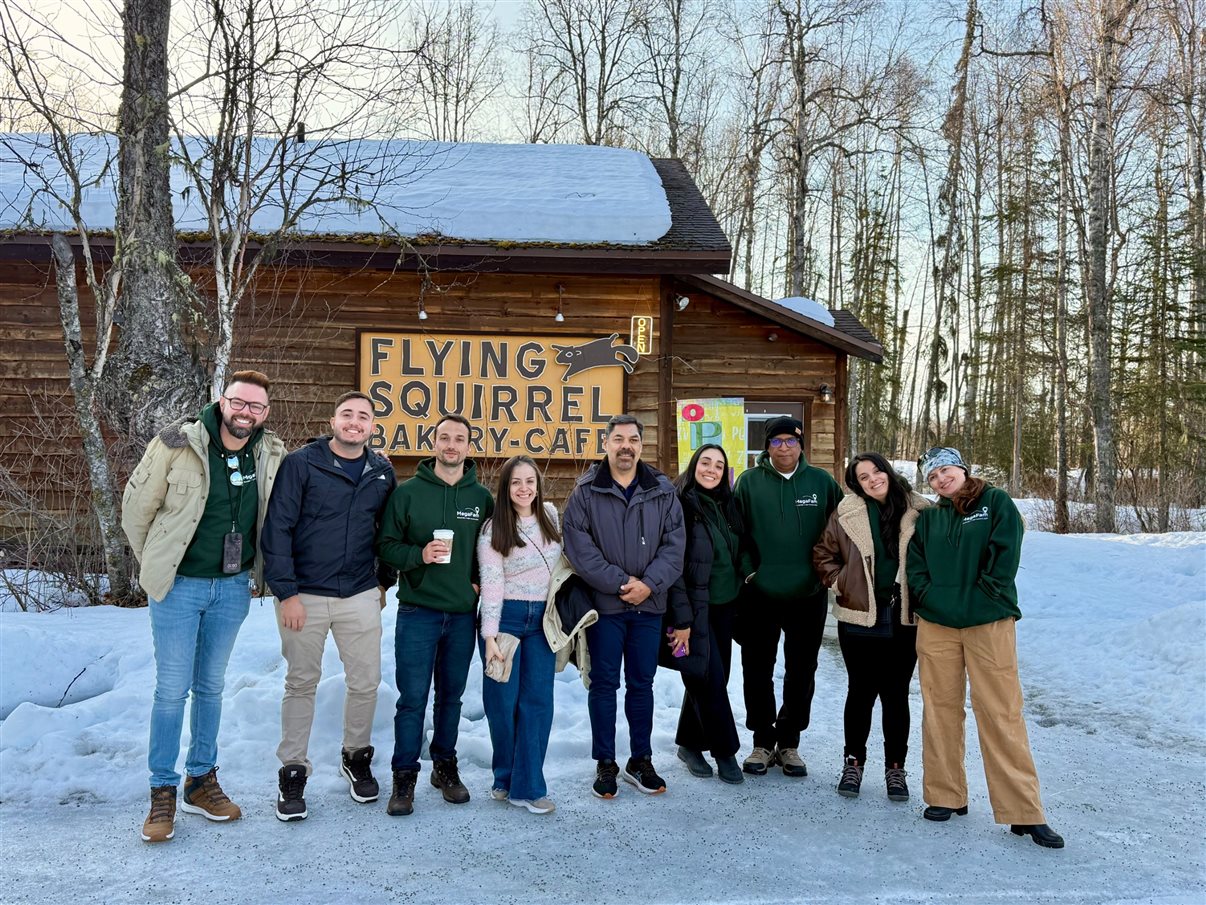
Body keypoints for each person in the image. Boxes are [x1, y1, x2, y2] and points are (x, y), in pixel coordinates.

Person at [121, 370, 287, 843]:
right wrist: (159, 563)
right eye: (239, 402)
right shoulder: (177, 443)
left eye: (256, 406)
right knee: (172, 690)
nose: (245, 413)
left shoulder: (271, 452)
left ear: (265, 413)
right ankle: (162, 790)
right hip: (179, 587)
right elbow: (136, 510)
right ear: (222, 400)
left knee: (211, 688)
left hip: (232, 588)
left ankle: (201, 780)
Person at [906, 447, 1065, 849]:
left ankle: (1023, 811)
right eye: (933, 476)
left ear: (962, 468)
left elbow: (1004, 558)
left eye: (946, 470)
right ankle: (946, 795)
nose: (941, 479)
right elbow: (916, 565)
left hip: (989, 622)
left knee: (1000, 711)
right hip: (938, 625)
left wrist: (982, 598)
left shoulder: (995, 503)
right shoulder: (930, 518)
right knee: (939, 709)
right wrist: (929, 598)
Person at [261, 391, 397, 821]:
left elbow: (387, 530)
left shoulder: (381, 471)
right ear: (333, 421)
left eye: (363, 417)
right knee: (302, 682)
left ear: (372, 426)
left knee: (366, 682)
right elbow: (277, 528)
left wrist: (383, 581)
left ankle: (356, 756)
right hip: (305, 595)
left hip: (359, 592)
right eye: (347, 414)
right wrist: (286, 592)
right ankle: (293, 770)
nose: (355, 422)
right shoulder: (302, 464)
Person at [562, 414, 685, 798]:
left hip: (650, 606)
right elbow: (579, 547)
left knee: (642, 684)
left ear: (640, 446)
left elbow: (675, 546)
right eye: (618, 439)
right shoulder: (586, 492)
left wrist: (649, 585)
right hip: (606, 608)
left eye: (633, 439)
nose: (626, 446)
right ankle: (605, 762)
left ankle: (640, 759)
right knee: (603, 684)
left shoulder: (662, 491)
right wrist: (619, 583)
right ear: (606, 444)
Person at [376, 414, 493, 817]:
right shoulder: (408, 493)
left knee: (451, 697)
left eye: (459, 439)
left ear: (468, 447)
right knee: (412, 699)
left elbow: (490, 550)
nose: (451, 445)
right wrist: (419, 554)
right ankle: (404, 776)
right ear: (434, 443)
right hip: (418, 612)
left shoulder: (481, 498)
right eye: (445, 437)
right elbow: (385, 546)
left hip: (461, 615)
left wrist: (475, 583)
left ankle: (445, 766)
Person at [813, 452, 929, 801]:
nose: (873, 479)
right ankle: (853, 763)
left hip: (903, 617)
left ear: (888, 472)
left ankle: (896, 769)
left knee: (896, 694)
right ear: (857, 484)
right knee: (860, 692)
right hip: (858, 615)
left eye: (877, 471)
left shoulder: (920, 510)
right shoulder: (846, 513)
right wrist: (842, 582)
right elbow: (823, 554)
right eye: (863, 477)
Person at [733, 417, 841, 777]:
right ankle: (763, 742)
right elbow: (737, 533)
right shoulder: (749, 482)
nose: (783, 447)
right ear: (767, 446)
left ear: (801, 445)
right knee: (757, 669)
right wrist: (749, 572)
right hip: (760, 593)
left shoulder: (822, 482)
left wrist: (829, 573)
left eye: (790, 441)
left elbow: (844, 529)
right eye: (776, 441)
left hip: (808, 594)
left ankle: (789, 742)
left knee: (801, 670)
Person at [477, 455, 562, 815]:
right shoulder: (493, 527)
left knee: (537, 702)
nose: (524, 488)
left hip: (543, 620)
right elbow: (492, 584)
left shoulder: (551, 517)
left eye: (530, 481)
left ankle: (528, 787)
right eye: (516, 482)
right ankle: (504, 776)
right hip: (506, 619)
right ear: (505, 487)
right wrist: (490, 637)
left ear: (538, 485)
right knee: (502, 703)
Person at [670, 443, 745, 786]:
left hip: (724, 606)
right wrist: (681, 619)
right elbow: (674, 568)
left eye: (718, 465)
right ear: (694, 465)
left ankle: (688, 744)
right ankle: (725, 751)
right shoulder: (681, 506)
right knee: (707, 677)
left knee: (713, 676)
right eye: (705, 462)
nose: (711, 470)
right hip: (692, 609)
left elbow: (738, 548)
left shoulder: (726, 505)